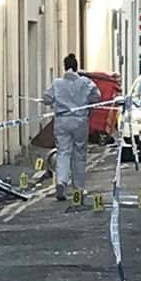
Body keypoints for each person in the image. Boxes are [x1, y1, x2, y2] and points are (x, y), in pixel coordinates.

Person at [43, 54, 101, 201]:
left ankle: (61, 181)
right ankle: (78, 188)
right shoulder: (85, 82)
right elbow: (96, 96)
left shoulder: (57, 83)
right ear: (76, 66)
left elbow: (47, 98)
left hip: (62, 120)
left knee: (63, 152)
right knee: (79, 154)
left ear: (64, 66)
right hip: (80, 120)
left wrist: (56, 101)